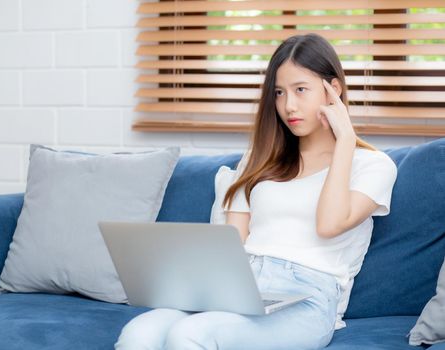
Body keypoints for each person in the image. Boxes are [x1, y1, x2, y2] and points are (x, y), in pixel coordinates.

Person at [115, 33, 397, 350]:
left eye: (301, 90)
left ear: (334, 89)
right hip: (243, 285)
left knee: (190, 334)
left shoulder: (373, 166)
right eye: (279, 93)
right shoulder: (259, 158)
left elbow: (328, 224)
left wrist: (345, 140)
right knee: (140, 332)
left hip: (308, 300)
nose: (288, 105)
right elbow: (233, 243)